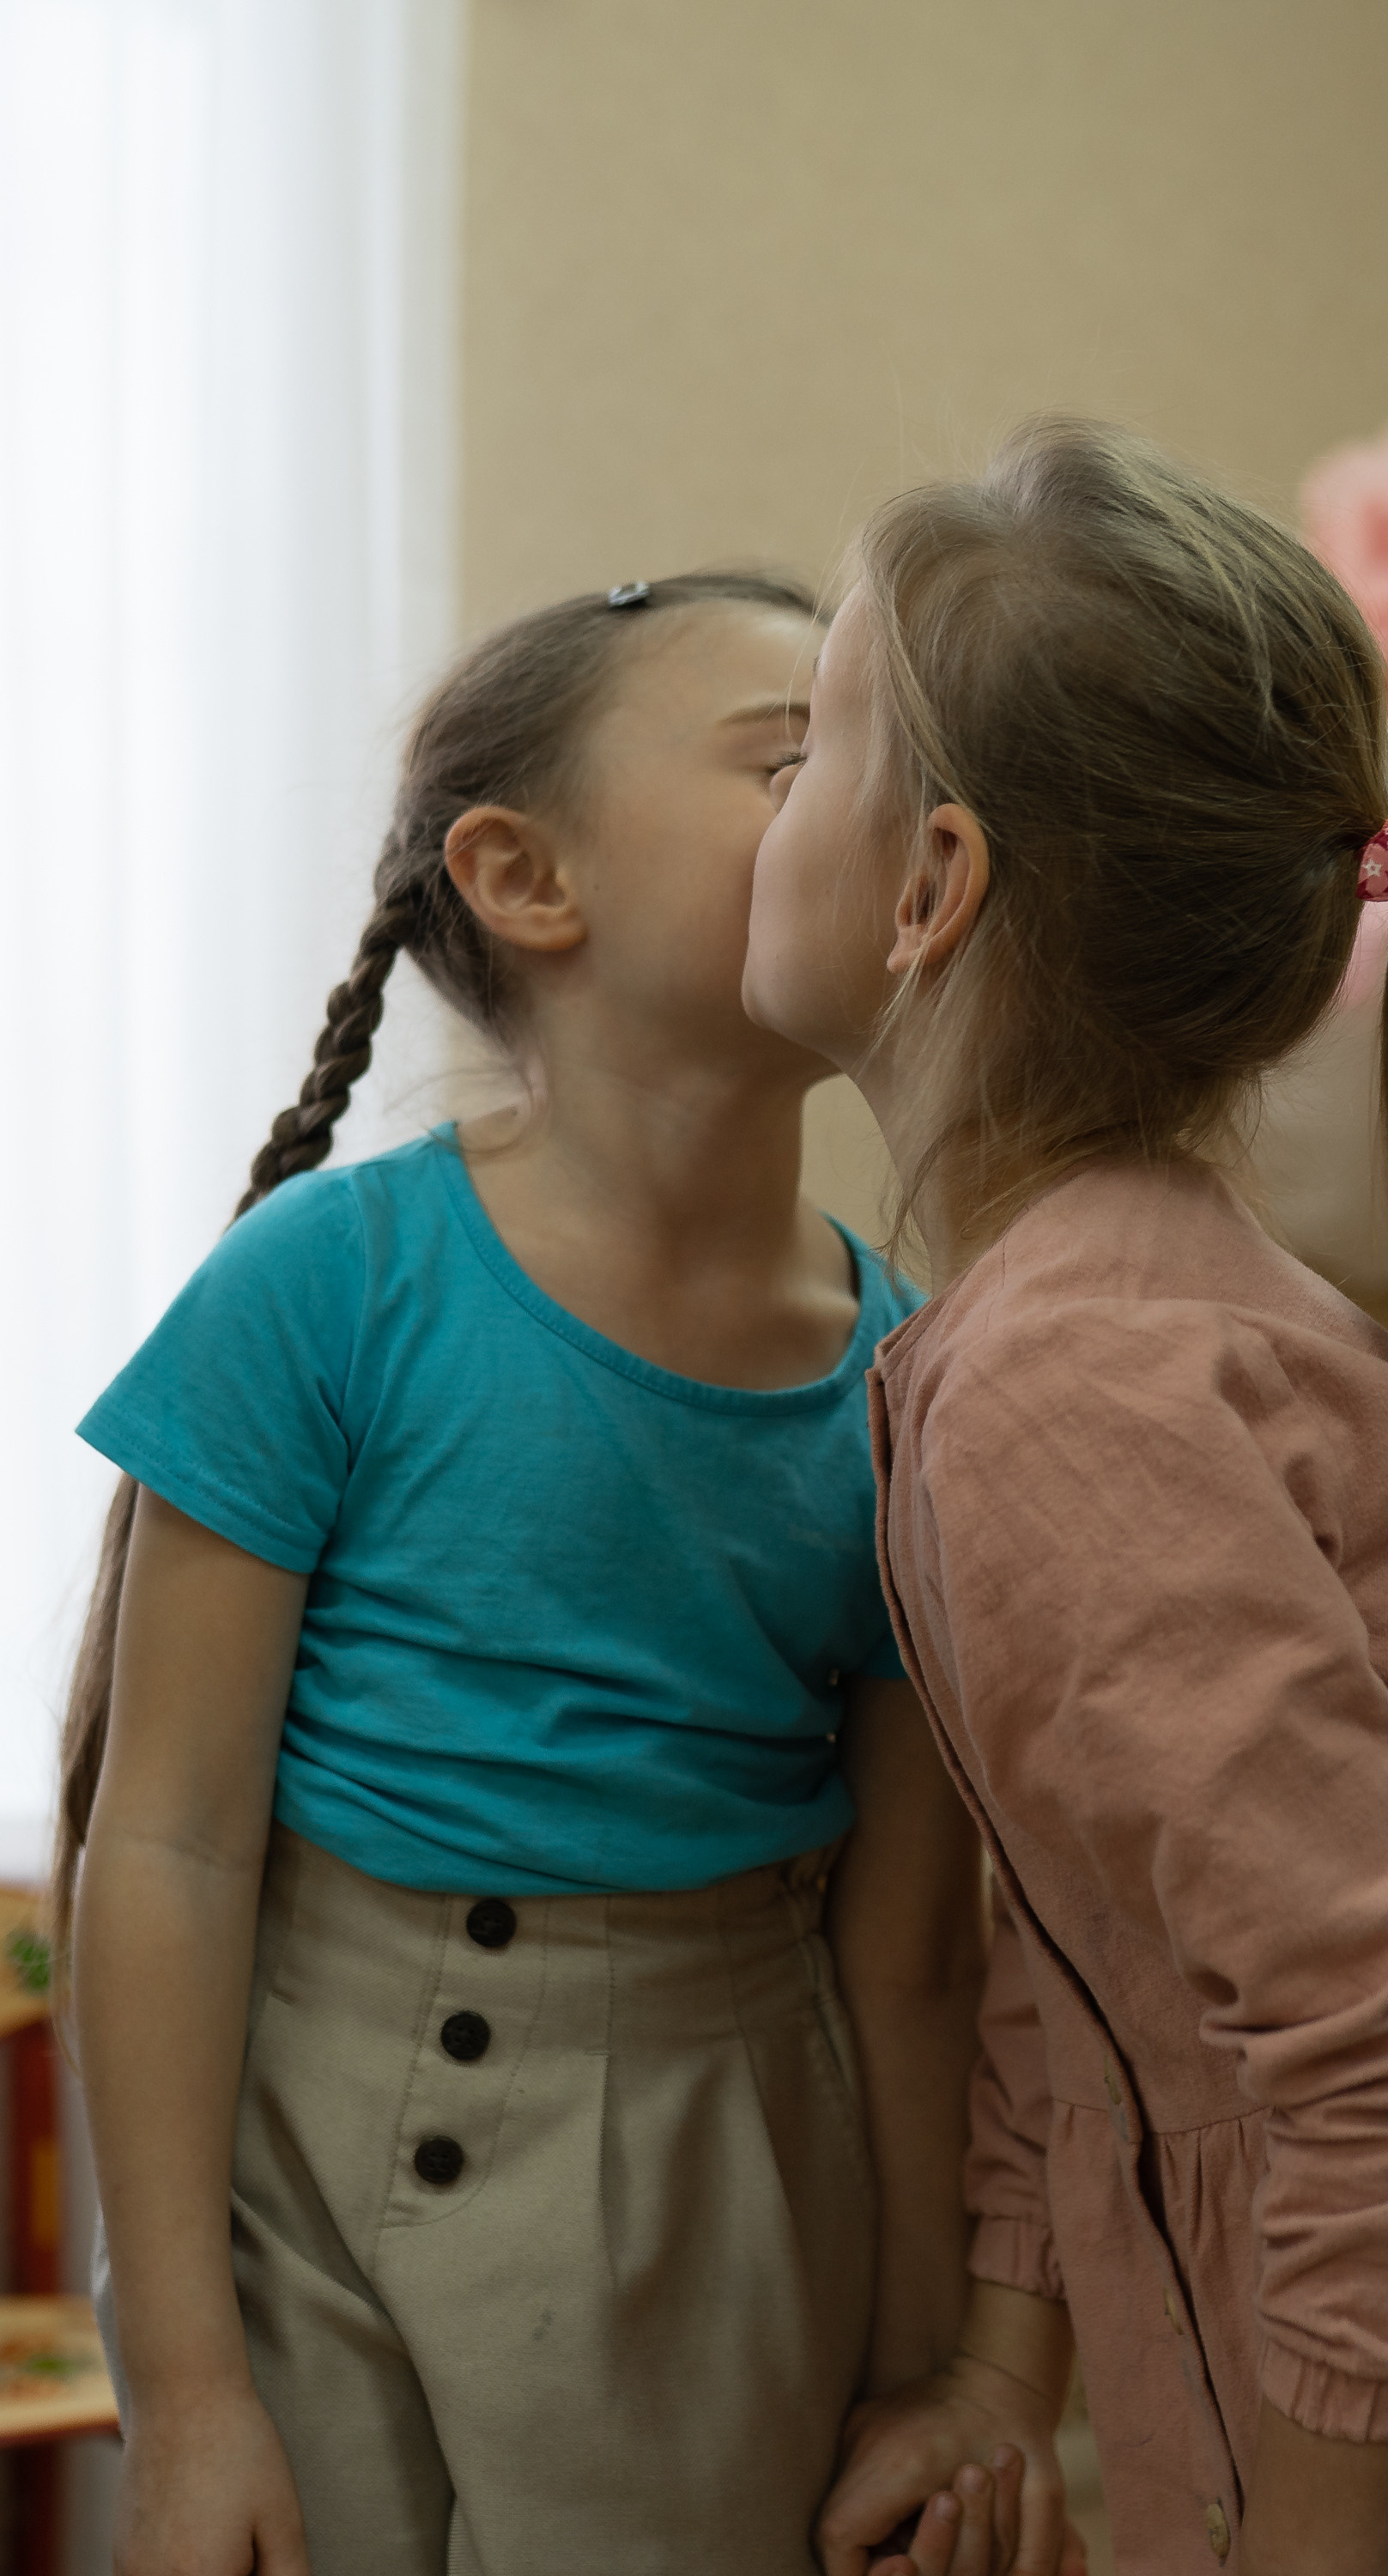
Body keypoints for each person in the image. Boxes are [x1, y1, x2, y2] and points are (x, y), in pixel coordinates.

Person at [742, 422, 1388, 2576]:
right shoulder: (1073, 1321)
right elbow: (1094, 1925)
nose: (762, 811)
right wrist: (1001, 2371)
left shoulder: (1071, 1391)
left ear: (928, 886)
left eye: (801, 748)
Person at [59, 571, 998, 2576]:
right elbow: (170, 1844)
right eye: (794, 760)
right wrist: (190, 2388)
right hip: (295, 2161)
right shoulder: (322, 1285)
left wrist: (931, 2381)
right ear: (522, 878)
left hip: (722, 2191)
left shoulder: (924, 1394)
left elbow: (913, 1956)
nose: (880, 808)